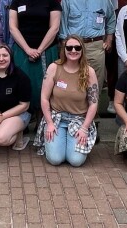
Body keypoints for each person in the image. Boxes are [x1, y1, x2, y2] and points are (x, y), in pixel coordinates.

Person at [33, 35, 99, 167]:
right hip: (57, 118)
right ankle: (55, 144)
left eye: (77, 47)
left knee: (76, 161)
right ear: (64, 49)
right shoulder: (54, 68)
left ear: (82, 50)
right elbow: (44, 98)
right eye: (69, 47)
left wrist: (85, 128)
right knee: (55, 159)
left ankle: (69, 143)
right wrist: (50, 123)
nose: (73, 50)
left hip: (79, 120)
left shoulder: (89, 72)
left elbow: (93, 103)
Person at [60, 0, 115, 112]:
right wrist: (65, 45)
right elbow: (63, 22)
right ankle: (75, 116)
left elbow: (111, 18)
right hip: (73, 47)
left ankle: (93, 120)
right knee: (73, 82)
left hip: (95, 46)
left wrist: (109, 39)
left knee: (94, 84)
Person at [8, 0, 61, 115]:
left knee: (45, 85)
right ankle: (22, 119)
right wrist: (27, 49)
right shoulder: (17, 0)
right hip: (22, 51)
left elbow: (54, 27)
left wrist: (39, 50)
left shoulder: (51, 0)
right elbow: (13, 27)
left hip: (46, 50)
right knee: (23, 84)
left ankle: (43, 118)